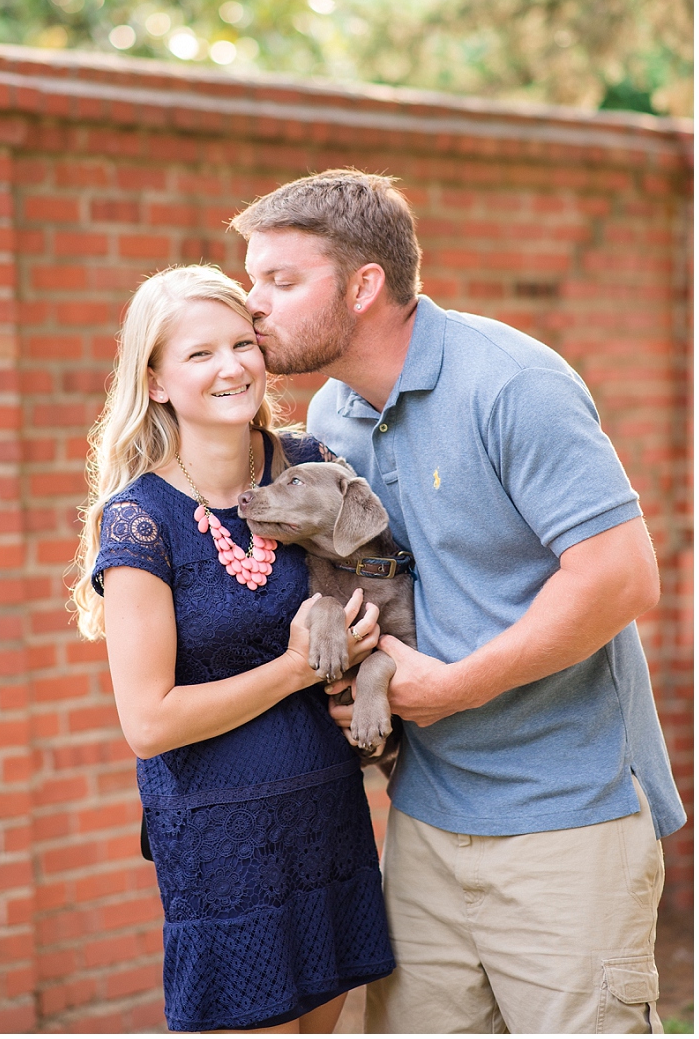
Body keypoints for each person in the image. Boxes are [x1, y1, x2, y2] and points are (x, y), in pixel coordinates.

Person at [234, 169, 685, 1034]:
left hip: (565, 818)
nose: (254, 304)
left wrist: (459, 686)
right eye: (253, 279)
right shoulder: (334, 412)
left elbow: (622, 576)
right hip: (425, 822)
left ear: (364, 285)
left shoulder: (511, 382)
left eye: (280, 281)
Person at [74, 265, 395, 1034]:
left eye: (244, 343)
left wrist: (371, 637)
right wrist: (292, 668)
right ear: (154, 382)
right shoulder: (140, 523)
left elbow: (381, 574)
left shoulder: (309, 466)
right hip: (224, 848)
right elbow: (147, 722)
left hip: (328, 816)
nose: (232, 367)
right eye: (199, 354)